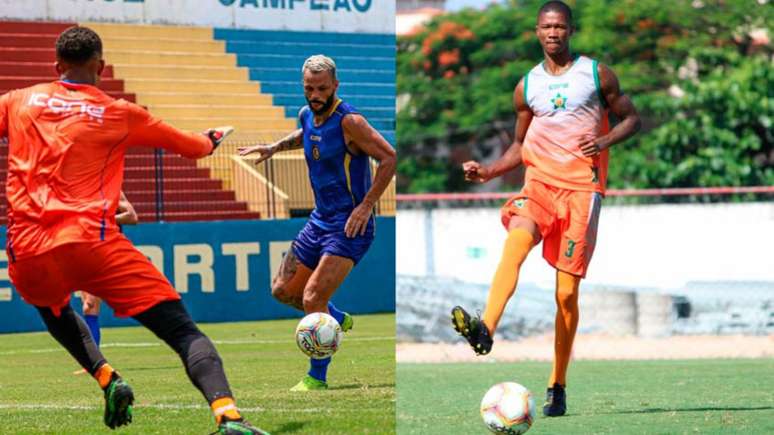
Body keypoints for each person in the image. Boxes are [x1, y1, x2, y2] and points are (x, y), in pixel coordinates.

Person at [0, 26, 268, 434]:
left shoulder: (18, 101)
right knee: (181, 330)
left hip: (28, 248)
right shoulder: (119, 113)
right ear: (101, 67)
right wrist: (212, 138)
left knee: (53, 309)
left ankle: (107, 377)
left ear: (57, 67)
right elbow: (191, 146)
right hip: (92, 242)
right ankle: (228, 415)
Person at [450, 0, 641, 417]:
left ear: (570, 30)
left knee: (566, 294)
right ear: (537, 32)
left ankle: (557, 383)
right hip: (539, 184)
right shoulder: (527, 86)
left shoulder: (596, 74)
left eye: (559, 27)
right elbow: (519, 145)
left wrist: (604, 142)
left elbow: (631, 118)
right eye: (545, 27)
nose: (553, 33)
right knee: (516, 242)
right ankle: (487, 329)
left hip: (581, 191)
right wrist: (488, 171)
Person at [238, 54, 396, 391]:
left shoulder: (350, 121)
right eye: (310, 88)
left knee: (311, 298)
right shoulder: (307, 114)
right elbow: (305, 133)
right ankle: (336, 317)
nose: (315, 95)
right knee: (281, 290)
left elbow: (389, 157)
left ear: (335, 86)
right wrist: (274, 147)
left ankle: (317, 377)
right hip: (319, 220)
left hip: (350, 226)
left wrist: (367, 206)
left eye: (322, 88)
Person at [75, 192, 138, 375]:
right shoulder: (80, 190)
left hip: (107, 251)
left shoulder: (113, 190)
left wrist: (106, 219)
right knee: (88, 307)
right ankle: (93, 364)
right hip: (85, 249)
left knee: (91, 305)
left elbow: (132, 216)